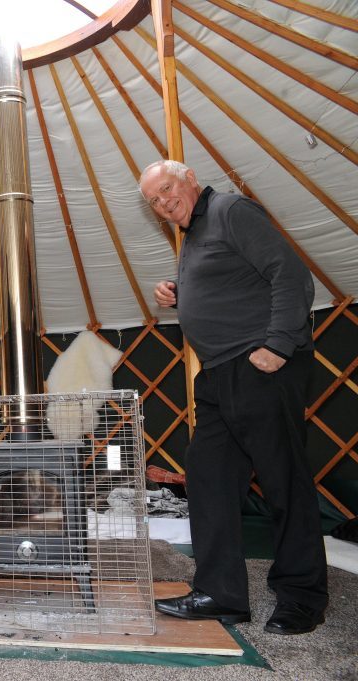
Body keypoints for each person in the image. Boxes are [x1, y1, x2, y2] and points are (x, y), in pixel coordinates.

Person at [140, 160, 327, 636]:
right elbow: (232, 285)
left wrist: (278, 345)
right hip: (219, 374)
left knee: (283, 480)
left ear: (189, 180)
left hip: (260, 365)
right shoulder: (194, 234)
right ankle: (221, 595)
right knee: (208, 478)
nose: (163, 203)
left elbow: (291, 275)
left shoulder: (229, 210)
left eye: (166, 190)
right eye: (154, 202)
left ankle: (301, 598)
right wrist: (181, 292)